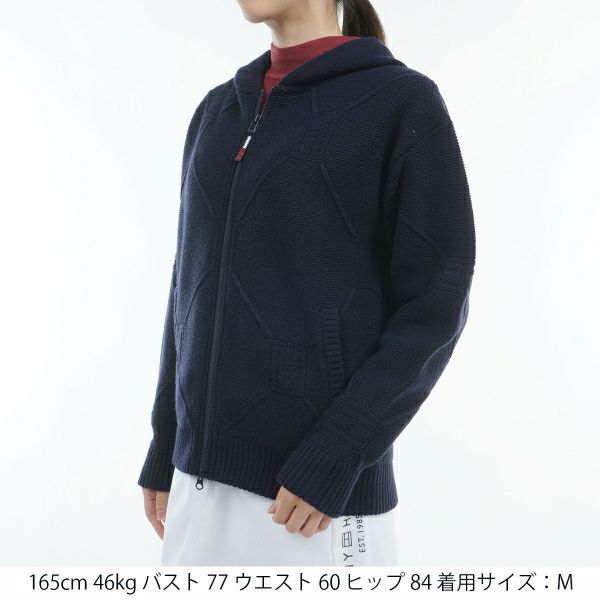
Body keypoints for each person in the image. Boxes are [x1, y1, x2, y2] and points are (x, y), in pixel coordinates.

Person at [139, 0, 476, 566]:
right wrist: (165, 441)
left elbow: (436, 304)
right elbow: (188, 288)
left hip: (310, 505)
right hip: (197, 488)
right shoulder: (217, 111)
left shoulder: (400, 103)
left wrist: (337, 454)